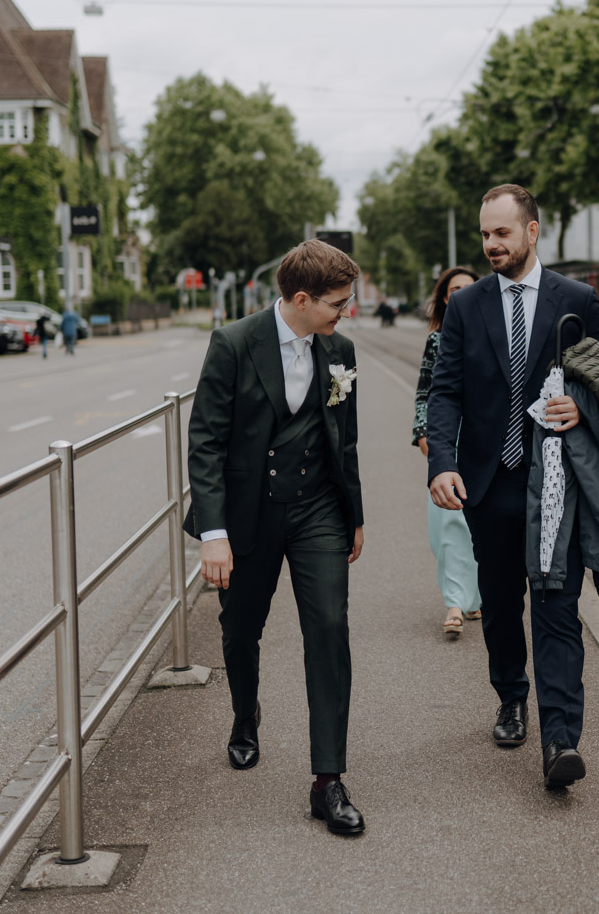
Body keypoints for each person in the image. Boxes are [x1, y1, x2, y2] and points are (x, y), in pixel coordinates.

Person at [427, 183, 599, 791]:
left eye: (501, 233)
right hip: (489, 483)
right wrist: (442, 463)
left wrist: (584, 411)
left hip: (555, 481)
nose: (490, 244)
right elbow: (445, 391)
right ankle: (511, 696)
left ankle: (561, 736)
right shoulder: (466, 305)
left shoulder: (578, 300)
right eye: (485, 234)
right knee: (502, 605)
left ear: (533, 231)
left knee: (557, 607)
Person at [183, 240, 367, 835]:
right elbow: (206, 441)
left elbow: (345, 439)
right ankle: (244, 715)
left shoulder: (339, 349)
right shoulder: (235, 343)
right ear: (302, 299)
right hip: (247, 515)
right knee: (239, 629)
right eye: (337, 303)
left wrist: (354, 514)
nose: (346, 311)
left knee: (330, 629)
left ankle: (328, 779)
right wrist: (214, 533)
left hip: (317, 511)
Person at [414, 266, 482, 639]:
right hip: (447, 439)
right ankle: (455, 601)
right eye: (453, 290)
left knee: (480, 520)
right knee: (449, 521)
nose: (460, 296)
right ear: (444, 297)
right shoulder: (438, 339)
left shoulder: (495, 333)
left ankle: (472, 597)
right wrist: (422, 434)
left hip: (486, 441)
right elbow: (425, 390)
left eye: (467, 290)